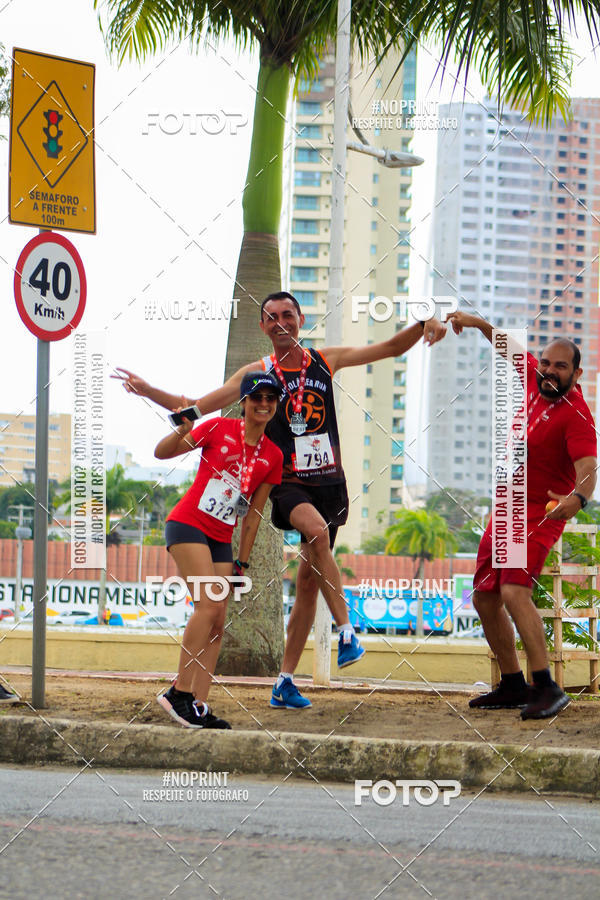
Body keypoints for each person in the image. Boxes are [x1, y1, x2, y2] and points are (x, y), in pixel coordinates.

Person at [115, 292, 446, 709]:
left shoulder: (327, 360)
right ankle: (347, 631)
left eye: (287, 314)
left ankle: (284, 682)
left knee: (309, 583)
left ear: (301, 318)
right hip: (289, 482)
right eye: (271, 317)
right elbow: (196, 408)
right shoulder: (256, 375)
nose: (280, 322)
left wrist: (425, 324)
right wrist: (149, 391)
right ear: (263, 327)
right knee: (315, 533)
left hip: (329, 484)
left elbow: (388, 348)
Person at [448, 310, 597, 719]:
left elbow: (589, 469)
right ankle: (513, 684)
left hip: (542, 513)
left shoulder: (577, 415)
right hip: (508, 506)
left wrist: (578, 499)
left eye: (560, 366)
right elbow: (509, 349)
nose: (549, 370)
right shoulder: (535, 378)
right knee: (483, 595)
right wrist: (477, 323)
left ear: (576, 373)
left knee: (514, 591)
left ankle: (546, 686)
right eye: (546, 362)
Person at [155, 371, 283, 728]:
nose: (263, 404)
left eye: (271, 399)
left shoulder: (272, 456)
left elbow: (254, 513)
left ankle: (197, 704)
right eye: (256, 397)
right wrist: (182, 429)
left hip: (221, 538)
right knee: (208, 604)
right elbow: (161, 453)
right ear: (243, 403)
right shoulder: (216, 429)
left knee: (218, 620)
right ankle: (177, 692)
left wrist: (242, 559)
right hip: (188, 525)